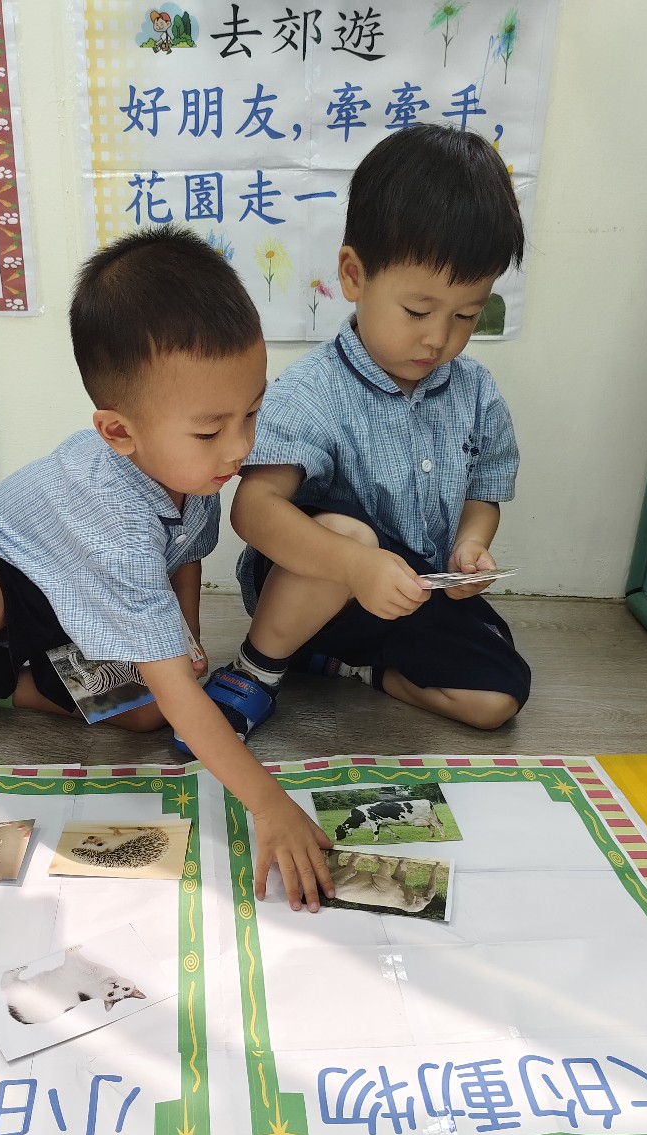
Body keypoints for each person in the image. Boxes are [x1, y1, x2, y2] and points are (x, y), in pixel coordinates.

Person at [0, 226, 334, 910]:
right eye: (211, 429)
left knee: (148, 717)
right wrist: (268, 804)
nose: (239, 447)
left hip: (81, 601)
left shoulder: (196, 470)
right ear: (118, 431)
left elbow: (185, 554)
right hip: (4, 581)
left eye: (253, 412)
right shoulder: (115, 512)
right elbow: (174, 669)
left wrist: (184, 634)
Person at [191, 125, 532, 743]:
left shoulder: (476, 393)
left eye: (466, 315)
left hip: (409, 595)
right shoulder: (313, 390)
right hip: (309, 593)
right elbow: (254, 511)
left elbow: (483, 494)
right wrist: (355, 565)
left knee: (498, 698)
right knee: (349, 530)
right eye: (417, 311)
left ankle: (348, 669)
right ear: (354, 275)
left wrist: (471, 546)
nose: (439, 338)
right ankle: (256, 670)